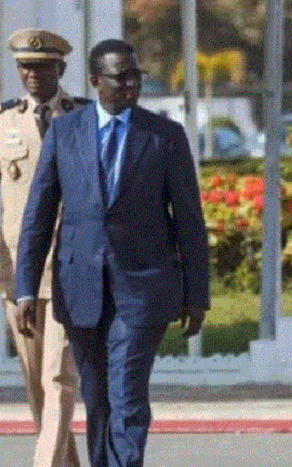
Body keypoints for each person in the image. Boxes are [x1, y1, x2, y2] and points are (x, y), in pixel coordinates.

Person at [15, 39, 209, 467]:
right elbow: (38, 215)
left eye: (135, 76)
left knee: (127, 393)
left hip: (143, 288)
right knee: (97, 396)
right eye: (120, 77)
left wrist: (197, 294)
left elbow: (189, 221)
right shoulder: (65, 132)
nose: (130, 85)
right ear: (95, 80)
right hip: (79, 288)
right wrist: (25, 287)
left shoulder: (164, 136)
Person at [0, 28, 90, 467]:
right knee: (38, 387)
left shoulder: (85, 118)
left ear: (61, 68)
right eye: (25, 67)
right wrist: (8, 279)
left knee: (58, 379)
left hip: (70, 267)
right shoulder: (3, 123)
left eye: (42, 66)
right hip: (20, 275)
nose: (32, 74)